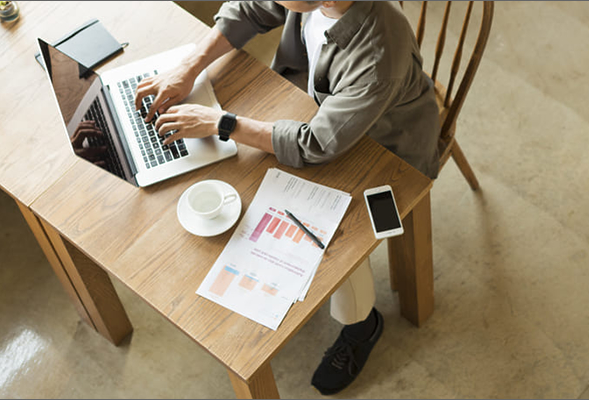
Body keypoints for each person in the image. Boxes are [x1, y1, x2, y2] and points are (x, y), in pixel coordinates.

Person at [135, 1, 439, 395]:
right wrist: (188, 68)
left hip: (383, 148)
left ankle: (362, 325)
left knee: (330, 242)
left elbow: (316, 144)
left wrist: (220, 123)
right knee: (238, 182)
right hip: (319, 107)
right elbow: (250, 9)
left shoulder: (379, 53)